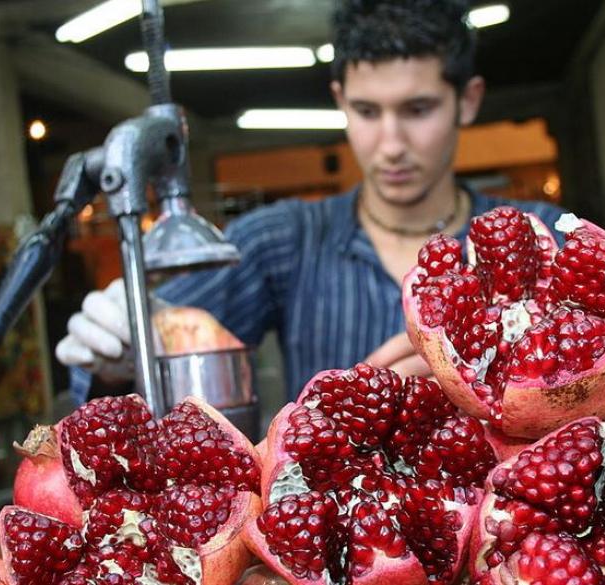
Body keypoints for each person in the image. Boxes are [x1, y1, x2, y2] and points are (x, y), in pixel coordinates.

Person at [57, 0, 566, 403]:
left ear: (469, 100)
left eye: (418, 109)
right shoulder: (285, 239)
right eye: (367, 111)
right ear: (340, 99)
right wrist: (121, 348)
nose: (390, 143)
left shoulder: (540, 240)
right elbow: (156, 348)